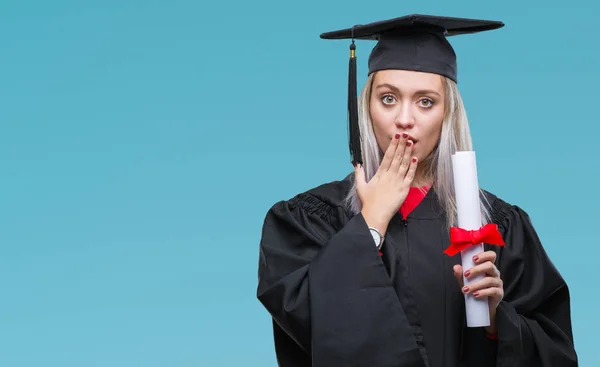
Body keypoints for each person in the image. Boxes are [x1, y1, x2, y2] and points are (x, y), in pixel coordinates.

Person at [256, 14, 578, 367]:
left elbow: (555, 353)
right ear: (366, 108)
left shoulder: (498, 227)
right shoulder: (308, 220)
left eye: (426, 101)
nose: (405, 119)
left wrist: (498, 322)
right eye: (388, 98)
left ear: (447, 114)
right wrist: (371, 222)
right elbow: (310, 327)